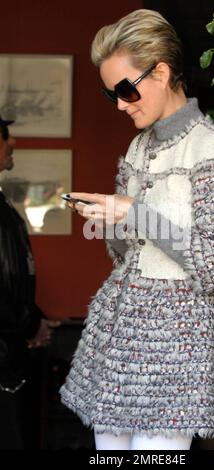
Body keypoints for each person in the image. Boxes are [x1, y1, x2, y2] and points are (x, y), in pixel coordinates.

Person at [60, 9, 214, 450]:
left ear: (161, 72)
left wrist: (135, 211)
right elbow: (126, 254)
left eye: (126, 90)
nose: (123, 105)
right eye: (114, 96)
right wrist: (111, 218)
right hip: (119, 341)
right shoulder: (137, 144)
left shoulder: (212, 145)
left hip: (178, 340)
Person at [0, 116, 58, 449]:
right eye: (5, 136)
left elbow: (12, 278)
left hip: (11, 357)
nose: (13, 143)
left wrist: (35, 319)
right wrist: (31, 323)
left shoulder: (4, 206)